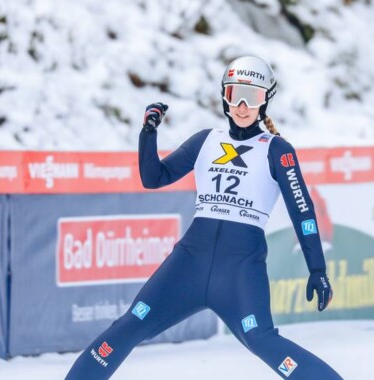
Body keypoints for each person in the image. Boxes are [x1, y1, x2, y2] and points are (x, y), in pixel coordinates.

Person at [65, 56, 342, 379]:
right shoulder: (206, 141)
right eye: (234, 94)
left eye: (251, 97)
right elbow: (154, 178)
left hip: (239, 269)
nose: (241, 105)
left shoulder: (277, 149)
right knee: (130, 324)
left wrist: (317, 268)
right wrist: (148, 133)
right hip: (189, 264)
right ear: (224, 97)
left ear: (266, 101)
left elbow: (303, 212)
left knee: (261, 339)